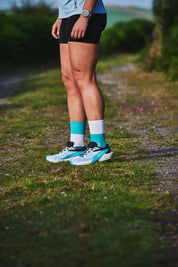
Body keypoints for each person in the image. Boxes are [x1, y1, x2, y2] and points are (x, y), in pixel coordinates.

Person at [46, 0, 113, 166]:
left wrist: (85, 15)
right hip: (68, 15)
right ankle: (76, 145)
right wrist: (62, 16)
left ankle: (99, 145)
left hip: (86, 13)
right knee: (69, 80)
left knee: (84, 77)